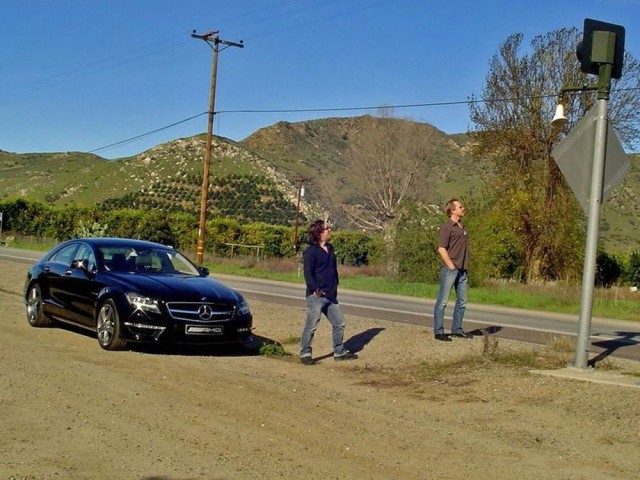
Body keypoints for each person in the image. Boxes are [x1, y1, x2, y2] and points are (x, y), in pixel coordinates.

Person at [299, 220, 358, 365]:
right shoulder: (310, 252)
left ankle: (339, 351)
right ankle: (305, 353)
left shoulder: (330, 248)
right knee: (311, 325)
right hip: (316, 296)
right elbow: (308, 274)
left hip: (331, 295)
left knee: (339, 323)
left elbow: (333, 270)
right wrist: (316, 289)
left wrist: (335, 286)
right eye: (326, 229)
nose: (329, 230)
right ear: (319, 233)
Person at [433, 198, 472, 341]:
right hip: (451, 269)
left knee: (462, 301)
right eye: (460, 207)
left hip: (463, 268)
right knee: (443, 301)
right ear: (453, 210)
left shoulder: (462, 226)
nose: (463, 208)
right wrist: (450, 265)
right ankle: (439, 331)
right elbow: (441, 249)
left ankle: (457, 329)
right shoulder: (446, 227)